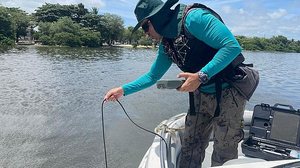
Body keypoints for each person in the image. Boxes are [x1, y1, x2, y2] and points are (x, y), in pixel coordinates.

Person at [104, 0, 258, 167]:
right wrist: (123, 90)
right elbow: (152, 76)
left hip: (229, 92)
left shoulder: (195, 18)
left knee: (224, 149)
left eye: (145, 27)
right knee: (190, 145)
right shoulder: (166, 45)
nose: (145, 34)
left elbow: (231, 46)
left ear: (156, 18)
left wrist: (200, 77)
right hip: (201, 94)